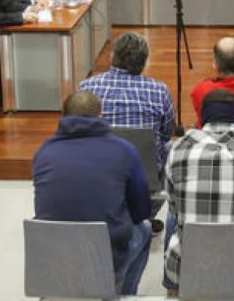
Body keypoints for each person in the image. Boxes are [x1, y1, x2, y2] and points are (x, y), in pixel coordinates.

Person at [32, 91, 152, 295]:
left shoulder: (43, 153)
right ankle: (124, 294)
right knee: (146, 229)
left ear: (62, 116)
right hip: (106, 259)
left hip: (55, 259)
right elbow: (141, 211)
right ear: (100, 116)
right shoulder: (124, 150)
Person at [163, 89, 234, 293]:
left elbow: (173, 205)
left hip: (189, 266)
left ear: (203, 116)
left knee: (173, 219)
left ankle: (172, 289)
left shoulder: (179, 148)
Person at [79, 32, 175, 231]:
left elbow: (81, 131)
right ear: (144, 61)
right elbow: (167, 132)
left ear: (112, 57)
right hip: (146, 176)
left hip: (97, 171)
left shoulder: (86, 86)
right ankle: (145, 215)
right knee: (170, 147)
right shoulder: (159, 90)